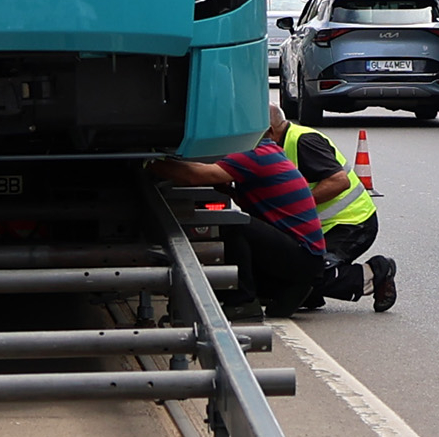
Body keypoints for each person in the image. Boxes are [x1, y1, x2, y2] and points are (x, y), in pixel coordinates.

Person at [149, 109, 370, 314]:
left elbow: (196, 175)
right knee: (238, 247)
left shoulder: (255, 153)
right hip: (303, 258)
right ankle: (281, 292)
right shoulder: (268, 150)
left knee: (235, 226)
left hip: (306, 258)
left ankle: (244, 304)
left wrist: (149, 163)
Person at [283, 115, 395, 311]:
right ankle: (311, 294)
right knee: (292, 274)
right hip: (318, 229)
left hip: (351, 224)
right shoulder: (278, 143)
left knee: (313, 273)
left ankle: (376, 272)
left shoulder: (303, 141)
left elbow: (339, 181)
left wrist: (296, 206)